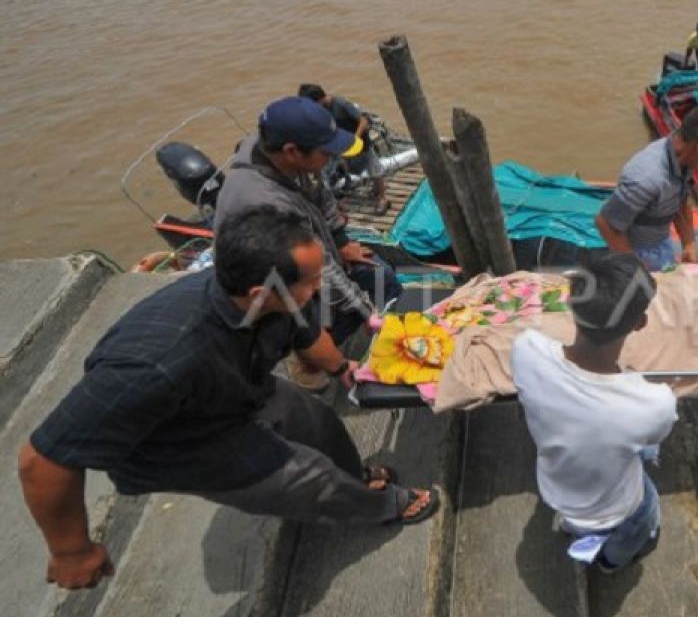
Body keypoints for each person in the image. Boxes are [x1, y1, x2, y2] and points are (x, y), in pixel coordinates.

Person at [18, 206, 439, 590]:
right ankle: (381, 505)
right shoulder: (155, 363)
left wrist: (340, 369)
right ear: (260, 294)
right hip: (184, 440)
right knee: (307, 478)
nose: (320, 287)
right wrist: (71, 551)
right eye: (311, 282)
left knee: (318, 422)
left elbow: (309, 337)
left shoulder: (283, 294)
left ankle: (357, 476)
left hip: (239, 390)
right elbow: (42, 461)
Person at [215, 96, 401, 389]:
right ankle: (308, 359)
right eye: (326, 152)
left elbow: (321, 194)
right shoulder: (266, 203)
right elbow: (323, 271)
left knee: (383, 277)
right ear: (292, 152)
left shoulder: (282, 153)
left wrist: (341, 241)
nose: (333, 159)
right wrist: (364, 310)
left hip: (313, 254)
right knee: (322, 314)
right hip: (280, 279)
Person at [512, 253, 677, 572]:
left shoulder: (526, 349)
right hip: (618, 508)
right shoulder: (654, 402)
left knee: (584, 525)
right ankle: (611, 562)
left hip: (557, 490)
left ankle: (579, 534)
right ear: (641, 323)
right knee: (642, 517)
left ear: (571, 303)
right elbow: (654, 435)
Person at [595, 106, 698, 270]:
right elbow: (606, 224)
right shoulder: (646, 178)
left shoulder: (684, 162)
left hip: (661, 244)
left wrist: (689, 242)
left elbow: (680, 202)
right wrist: (635, 269)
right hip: (636, 252)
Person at [298, 84, 390, 215]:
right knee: (322, 172)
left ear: (319, 100)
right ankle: (330, 202)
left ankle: (382, 198)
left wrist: (355, 138)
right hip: (337, 145)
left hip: (359, 143)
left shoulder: (341, 104)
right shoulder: (320, 111)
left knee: (374, 168)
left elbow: (363, 121)